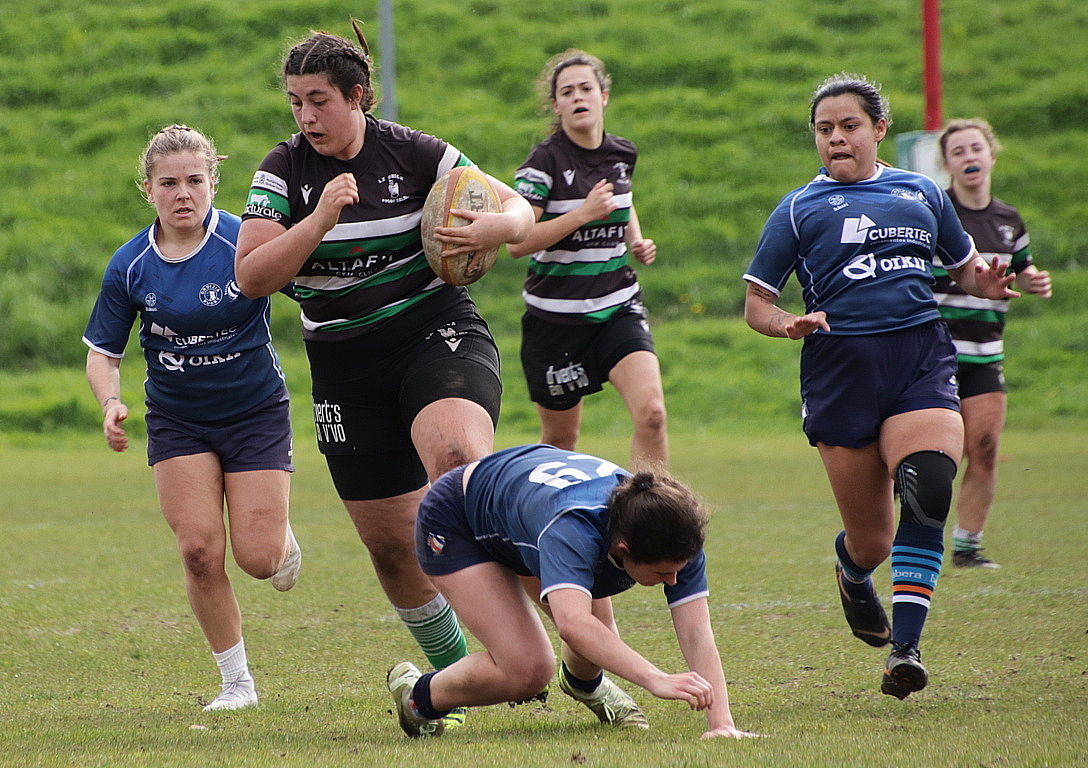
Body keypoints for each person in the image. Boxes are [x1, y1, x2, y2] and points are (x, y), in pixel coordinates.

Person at [234, 22, 534, 727]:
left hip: (434, 333)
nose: (305, 117)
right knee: (391, 546)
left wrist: (499, 226)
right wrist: (319, 220)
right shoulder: (282, 173)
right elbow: (251, 277)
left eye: (318, 101)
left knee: (459, 469)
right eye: (294, 103)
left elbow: (515, 207)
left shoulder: (416, 151)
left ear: (357, 97)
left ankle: (571, 651)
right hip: (342, 363)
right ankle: (460, 677)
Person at [742, 74, 1019, 699]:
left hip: (918, 358)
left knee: (928, 490)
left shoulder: (922, 192)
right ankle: (851, 571)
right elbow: (757, 304)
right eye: (824, 129)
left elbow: (966, 271)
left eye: (849, 126)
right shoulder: (797, 208)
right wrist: (790, 324)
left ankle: (905, 650)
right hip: (840, 373)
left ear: (878, 129)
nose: (836, 138)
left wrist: (988, 284)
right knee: (874, 539)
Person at [83, 124, 301, 712]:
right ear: (148, 189)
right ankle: (238, 685)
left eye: (195, 180)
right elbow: (103, 352)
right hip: (178, 420)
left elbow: (310, 284)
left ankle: (281, 540)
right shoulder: (129, 266)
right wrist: (111, 402)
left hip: (255, 412)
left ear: (213, 182)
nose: (184, 193)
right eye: (169, 183)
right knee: (199, 551)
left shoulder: (245, 240)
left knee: (259, 560)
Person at [385, 444, 757, 740]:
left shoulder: (675, 531)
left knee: (602, 637)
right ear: (623, 549)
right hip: (458, 520)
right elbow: (573, 625)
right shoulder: (574, 530)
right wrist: (654, 678)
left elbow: (696, 631)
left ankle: (584, 684)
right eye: (663, 573)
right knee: (530, 669)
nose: (674, 580)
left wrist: (721, 722)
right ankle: (418, 698)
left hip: (525, 513)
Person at [509, 50, 667, 471]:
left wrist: (636, 238)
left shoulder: (621, 153)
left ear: (604, 96)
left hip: (618, 306)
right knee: (561, 440)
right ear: (556, 105)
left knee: (652, 414)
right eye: (567, 91)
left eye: (585, 88)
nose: (578, 97)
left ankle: (652, 523)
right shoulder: (542, 164)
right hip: (555, 321)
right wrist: (582, 214)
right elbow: (516, 243)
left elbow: (622, 199)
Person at [935, 118, 1052, 569]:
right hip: (934, 355)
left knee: (983, 447)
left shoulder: (1008, 220)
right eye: (958, 151)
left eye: (975, 148)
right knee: (934, 455)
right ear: (946, 163)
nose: (969, 157)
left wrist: (1032, 278)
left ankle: (967, 546)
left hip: (985, 354)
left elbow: (1021, 267)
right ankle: (912, 535)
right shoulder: (937, 213)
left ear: (991, 156)